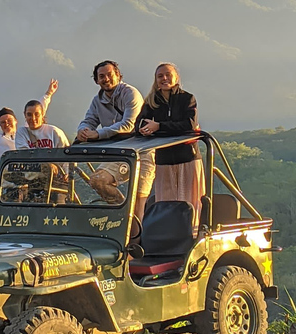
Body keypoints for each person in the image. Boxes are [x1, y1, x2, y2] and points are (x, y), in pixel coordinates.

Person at [77, 60, 153, 214]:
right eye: (101, 76)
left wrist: (98, 134)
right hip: (118, 152)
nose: (106, 79)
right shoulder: (97, 100)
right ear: (97, 80)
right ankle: (124, 214)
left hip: (141, 150)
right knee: (97, 180)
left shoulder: (130, 94)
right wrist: (83, 131)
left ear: (118, 75)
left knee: (139, 202)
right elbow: (89, 120)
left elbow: (129, 124)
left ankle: (138, 231)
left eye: (109, 74)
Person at [136, 62, 203, 235]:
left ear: (176, 78)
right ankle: (168, 238)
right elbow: (139, 123)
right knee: (166, 203)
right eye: (160, 76)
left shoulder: (187, 99)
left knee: (190, 202)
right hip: (163, 160)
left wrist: (159, 126)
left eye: (168, 75)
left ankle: (191, 238)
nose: (164, 79)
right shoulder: (151, 102)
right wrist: (144, 129)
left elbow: (189, 125)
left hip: (187, 158)